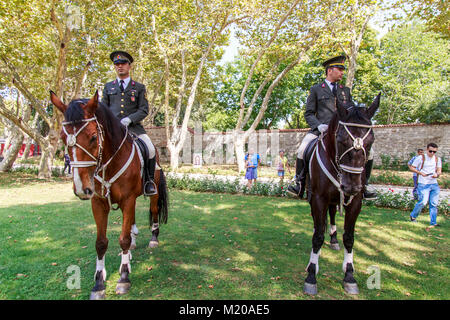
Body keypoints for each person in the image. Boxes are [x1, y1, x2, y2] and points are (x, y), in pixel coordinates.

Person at [287, 55, 377, 200]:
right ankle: (299, 183)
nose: (342, 72)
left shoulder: (345, 91)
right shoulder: (316, 89)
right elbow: (309, 113)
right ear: (330, 70)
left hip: (342, 132)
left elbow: (350, 111)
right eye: (339, 69)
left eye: (343, 70)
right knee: (302, 149)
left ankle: (365, 185)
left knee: (370, 152)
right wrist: (318, 126)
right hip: (321, 130)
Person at [101, 51, 156, 195]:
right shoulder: (108, 87)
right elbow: (103, 109)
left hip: (134, 129)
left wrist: (129, 119)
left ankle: (149, 181)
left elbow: (144, 110)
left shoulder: (138, 87)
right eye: (117, 64)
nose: (120, 67)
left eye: (123, 64)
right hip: (112, 130)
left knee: (150, 149)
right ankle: (95, 179)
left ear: (129, 66)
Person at [409, 143, 442, 227]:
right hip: (423, 183)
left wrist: (437, 175)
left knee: (433, 204)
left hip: (434, 184)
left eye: (434, 152)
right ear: (427, 150)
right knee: (423, 202)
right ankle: (413, 216)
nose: (432, 153)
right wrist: (420, 173)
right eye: (430, 151)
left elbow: (439, 170)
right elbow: (412, 167)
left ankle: (433, 222)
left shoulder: (437, 159)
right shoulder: (420, 158)